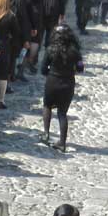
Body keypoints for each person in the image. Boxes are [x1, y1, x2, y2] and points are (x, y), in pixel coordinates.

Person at [40, 24, 85, 153]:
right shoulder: (75, 52)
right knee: (62, 113)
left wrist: (50, 72)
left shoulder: (50, 50)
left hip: (52, 81)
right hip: (68, 83)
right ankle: (62, 143)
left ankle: (46, 133)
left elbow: (43, 69)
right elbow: (81, 67)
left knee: (47, 106)